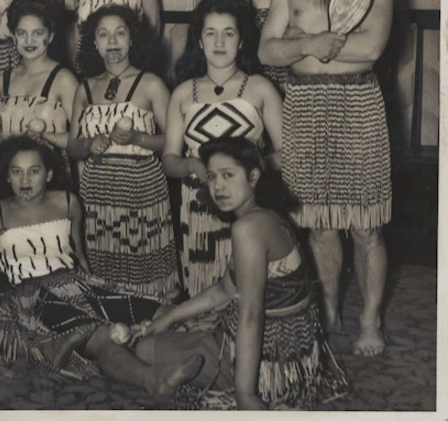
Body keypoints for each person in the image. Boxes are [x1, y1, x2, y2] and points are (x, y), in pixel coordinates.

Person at [0, 136, 204, 395]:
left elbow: (79, 256)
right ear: (7, 176)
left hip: (76, 283)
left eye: (34, 171)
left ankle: (213, 356)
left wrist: (99, 295)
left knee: (162, 311)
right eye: (16, 172)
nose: (25, 180)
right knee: (99, 336)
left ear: (49, 174)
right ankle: (152, 379)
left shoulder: (68, 202)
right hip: (30, 297)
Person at [259, 0, 393, 356]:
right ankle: (331, 309)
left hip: (357, 104)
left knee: (366, 225)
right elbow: (266, 49)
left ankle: (370, 321)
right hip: (303, 105)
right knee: (318, 224)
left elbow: (370, 48)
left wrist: (301, 38)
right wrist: (309, 44)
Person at [147, 137, 348, 410]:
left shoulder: (248, 229)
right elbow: (225, 290)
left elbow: (251, 315)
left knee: (142, 349)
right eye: (212, 176)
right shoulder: (267, 215)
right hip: (294, 356)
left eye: (228, 175)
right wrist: (170, 316)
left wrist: (245, 394)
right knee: (164, 324)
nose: (218, 186)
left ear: (253, 177)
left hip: (270, 361)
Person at [163, 0, 283, 297]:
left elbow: (287, 154)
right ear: (199, 41)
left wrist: (246, 170)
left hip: (247, 206)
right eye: (211, 33)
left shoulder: (260, 88)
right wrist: (192, 164)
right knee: (204, 291)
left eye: (228, 33)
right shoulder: (182, 93)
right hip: (198, 208)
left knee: (248, 291)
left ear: (241, 40)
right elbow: (169, 160)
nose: (219, 43)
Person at [68, 5, 177, 297]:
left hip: (142, 195)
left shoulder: (151, 84)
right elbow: (72, 147)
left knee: (145, 279)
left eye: (120, 33)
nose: (112, 41)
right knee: (106, 277)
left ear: (132, 39)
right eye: (103, 34)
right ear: (94, 42)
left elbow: (175, 143)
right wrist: (89, 144)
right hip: (98, 198)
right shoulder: (85, 89)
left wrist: (137, 138)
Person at [0, 0, 78, 180]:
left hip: (52, 177)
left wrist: (46, 136)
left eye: (38, 33)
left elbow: (79, 141)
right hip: (12, 177)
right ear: (13, 36)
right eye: (22, 33)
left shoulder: (64, 80)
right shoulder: (2, 80)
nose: (29, 41)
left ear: (51, 36)